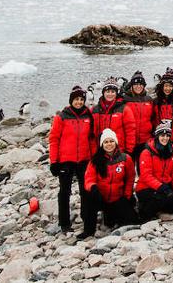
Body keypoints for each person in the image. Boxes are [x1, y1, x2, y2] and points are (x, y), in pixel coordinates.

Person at [49, 85, 95, 233]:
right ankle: (64, 222)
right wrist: (54, 161)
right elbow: (54, 140)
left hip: (84, 159)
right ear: (71, 100)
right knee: (64, 192)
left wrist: (93, 158)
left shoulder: (88, 116)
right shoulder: (61, 117)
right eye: (76, 99)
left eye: (82, 99)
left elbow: (92, 139)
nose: (79, 102)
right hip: (66, 160)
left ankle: (86, 216)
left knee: (85, 190)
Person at [81, 129, 137, 239]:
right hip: (101, 198)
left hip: (118, 197)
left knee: (132, 222)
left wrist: (127, 195)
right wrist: (93, 188)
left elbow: (130, 178)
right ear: (102, 145)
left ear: (116, 142)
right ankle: (88, 230)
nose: (109, 144)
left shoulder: (126, 159)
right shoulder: (95, 161)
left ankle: (110, 216)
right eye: (106, 142)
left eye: (111, 141)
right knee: (87, 197)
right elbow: (88, 179)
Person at [135, 122, 173, 221]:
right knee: (164, 198)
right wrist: (161, 187)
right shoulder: (147, 152)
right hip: (147, 187)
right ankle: (143, 211)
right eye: (162, 135)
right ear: (157, 136)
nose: (165, 138)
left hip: (164, 185)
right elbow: (146, 176)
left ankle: (161, 209)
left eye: (167, 135)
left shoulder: (172, 152)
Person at [121, 71, 156, 158]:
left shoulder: (149, 100)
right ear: (131, 85)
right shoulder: (124, 100)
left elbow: (153, 118)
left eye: (141, 84)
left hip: (146, 140)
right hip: (129, 140)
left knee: (143, 166)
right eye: (136, 84)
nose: (138, 87)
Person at [91, 77, 126, 145]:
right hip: (100, 149)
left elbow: (130, 130)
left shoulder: (124, 109)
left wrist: (128, 150)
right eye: (107, 92)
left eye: (113, 92)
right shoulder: (95, 110)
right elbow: (92, 132)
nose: (110, 94)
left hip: (119, 148)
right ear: (103, 93)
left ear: (116, 93)